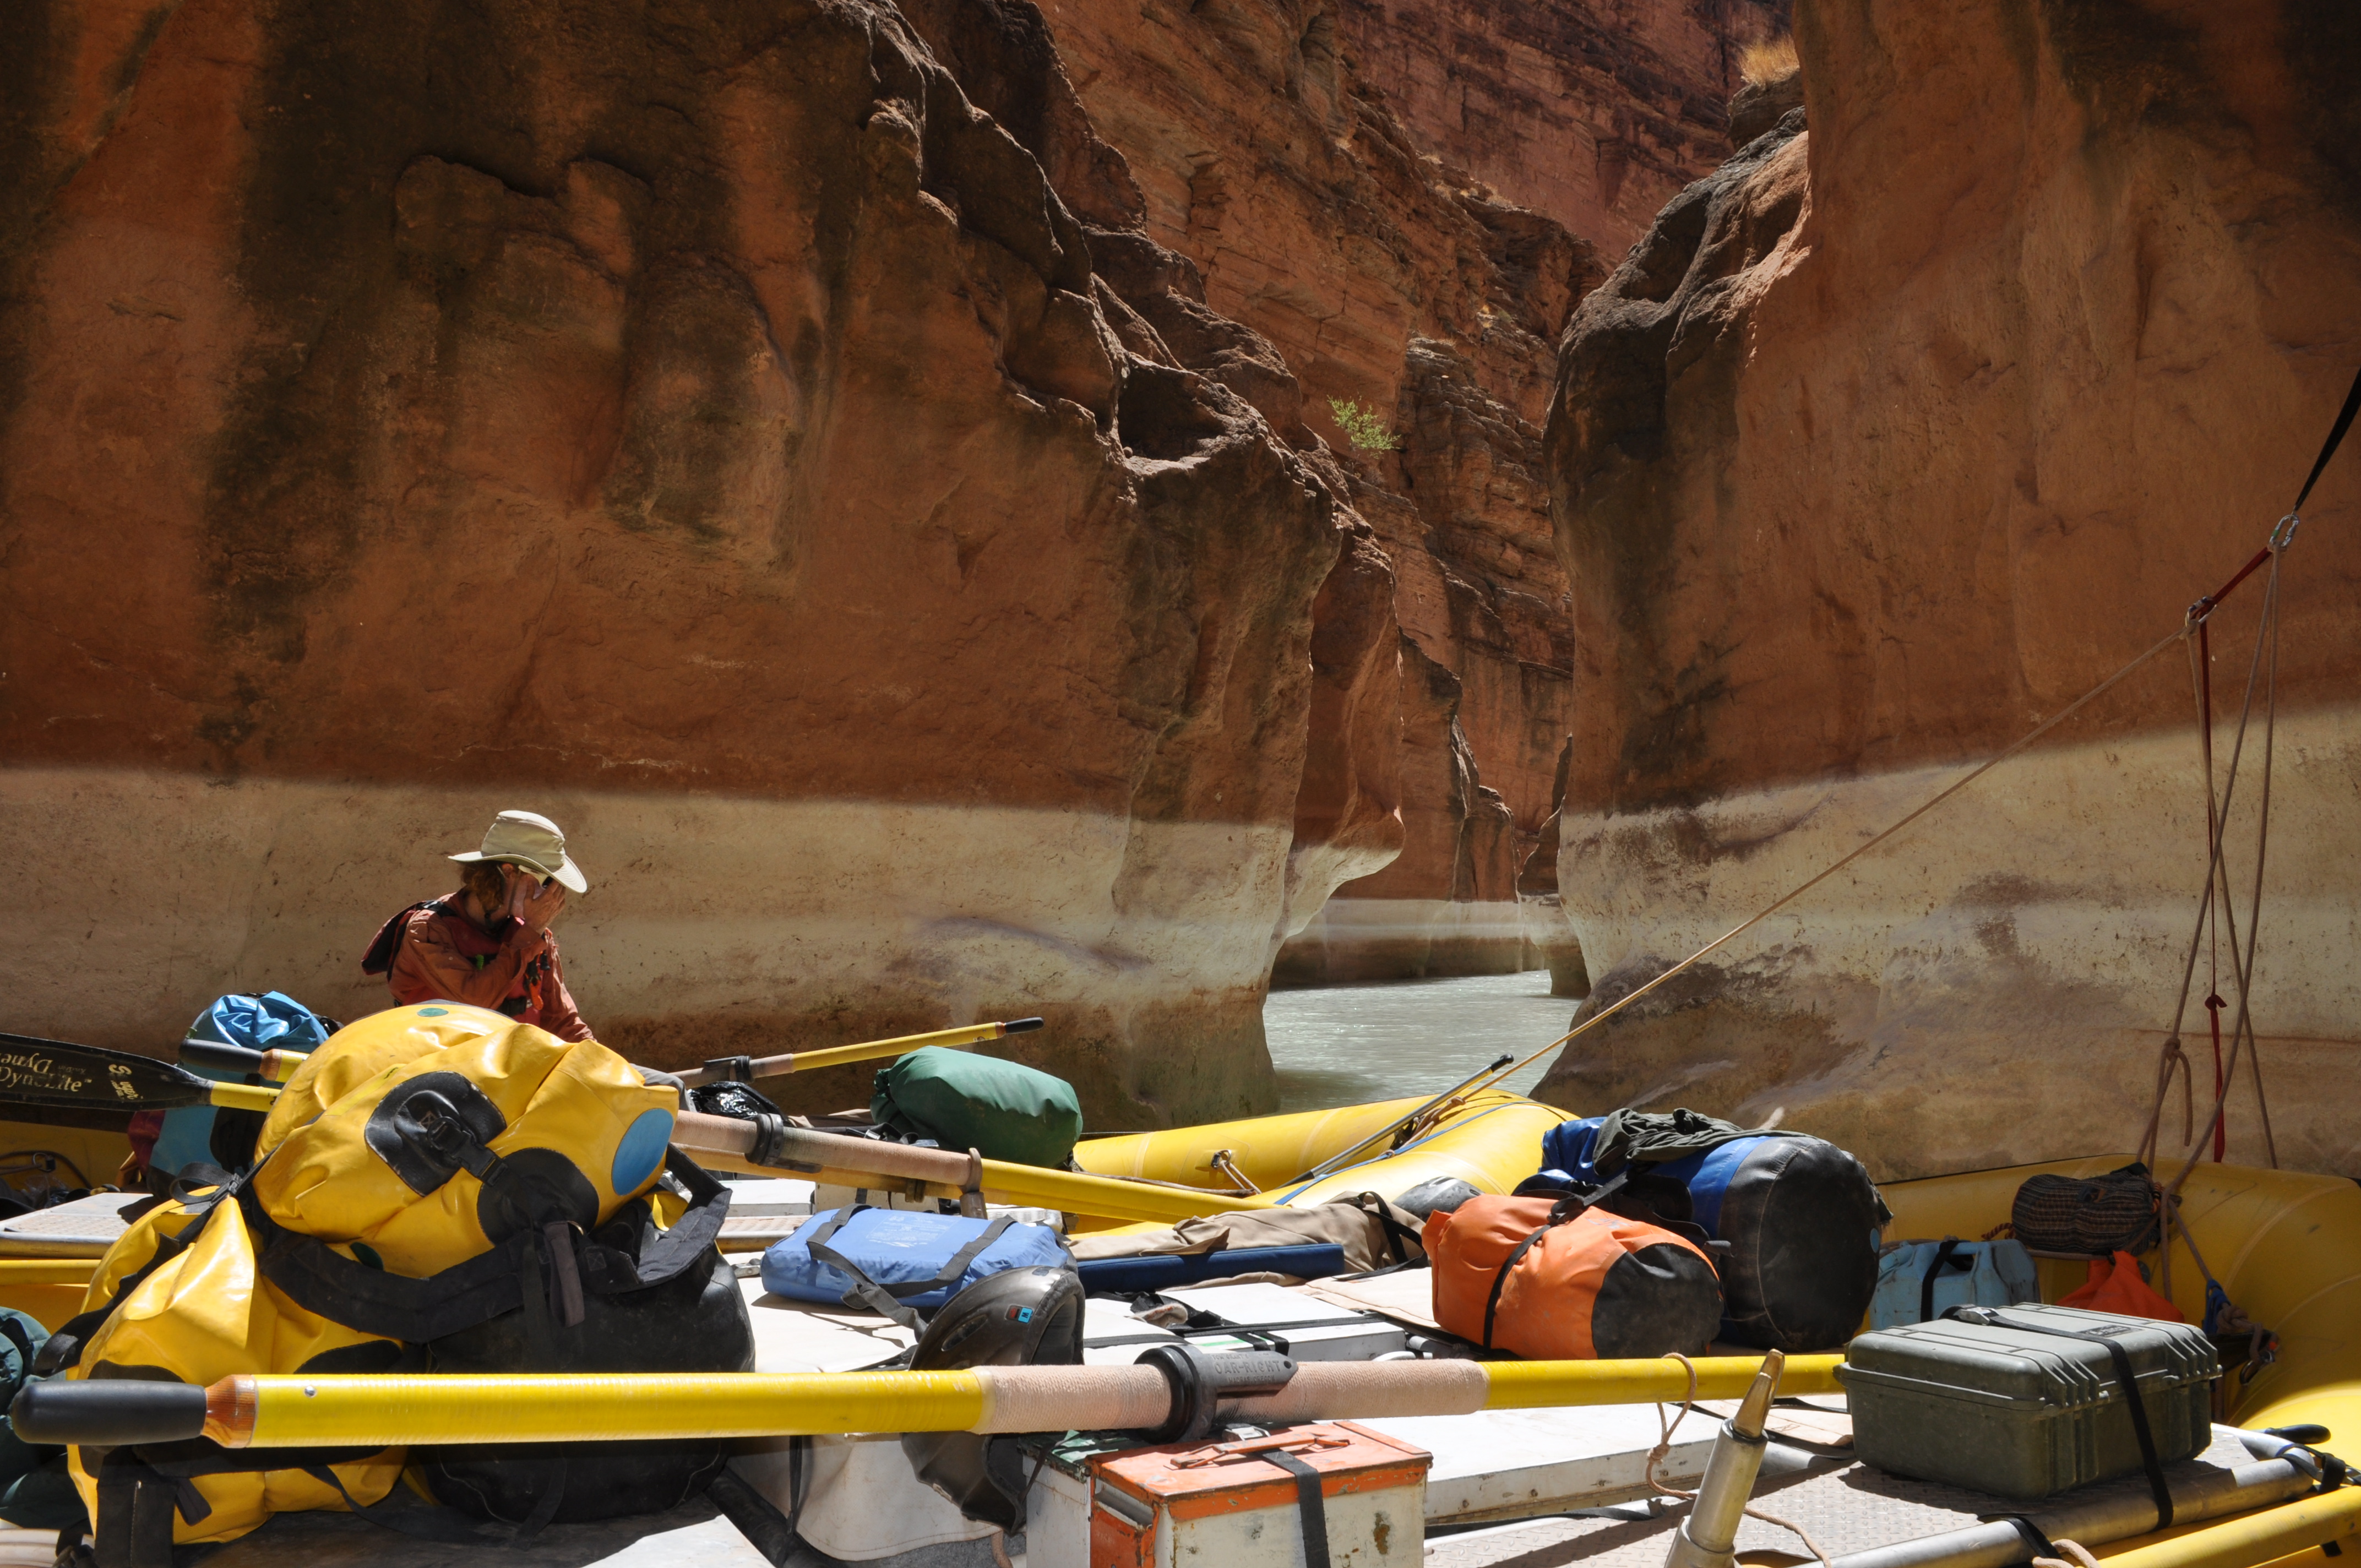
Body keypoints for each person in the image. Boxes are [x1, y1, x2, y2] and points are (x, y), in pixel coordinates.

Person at [361, 809, 594, 1041]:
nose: (552, 895)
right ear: (509, 872)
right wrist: (530, 933)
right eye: (547, 881)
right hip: (439, 1060)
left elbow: (563, 1022)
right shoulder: (428, 929)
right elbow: (477, 1004)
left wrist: (604, 1060)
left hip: (512, 1059)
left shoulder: (534, 935)